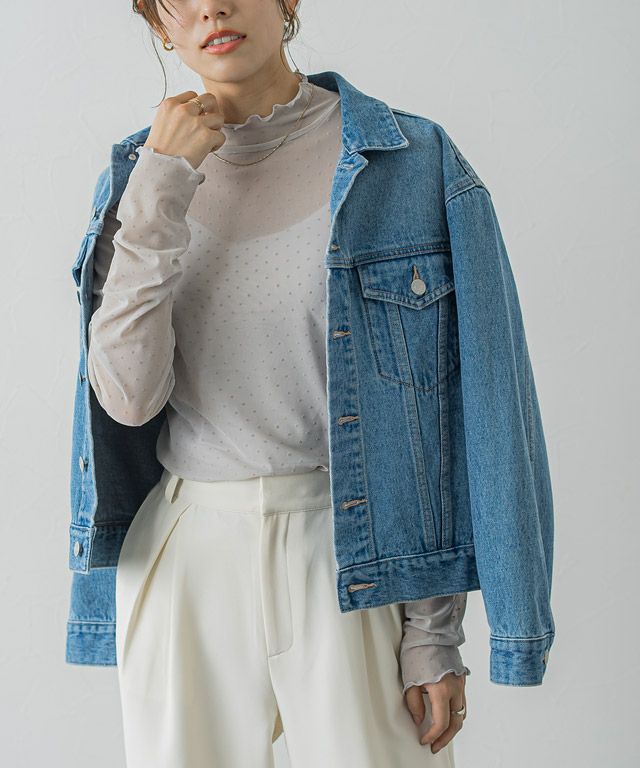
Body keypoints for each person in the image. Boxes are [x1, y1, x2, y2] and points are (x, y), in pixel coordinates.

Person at [79, 1, 541, 766]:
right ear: (160, 25)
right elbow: (128, 399)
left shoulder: (412, 163)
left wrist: (433, 632)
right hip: (188, 554)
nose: (212, 7)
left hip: (353, 553)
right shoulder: (137, 177)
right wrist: (162, 182)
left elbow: (463, 412)